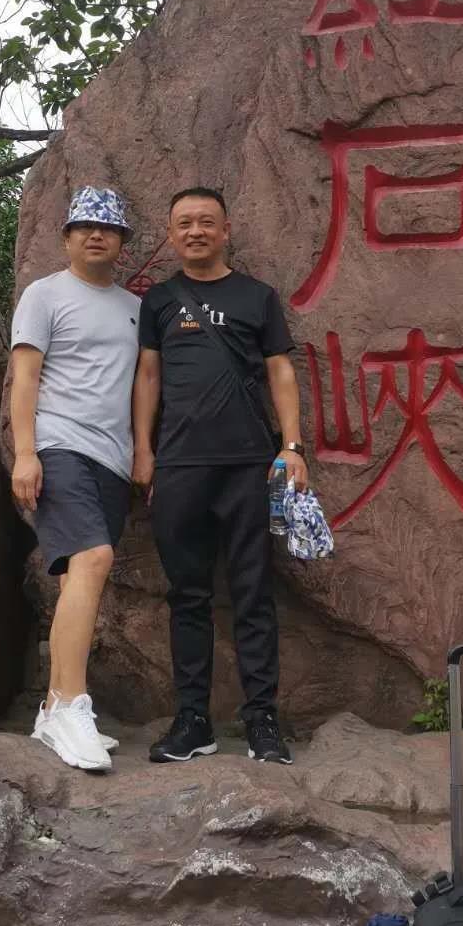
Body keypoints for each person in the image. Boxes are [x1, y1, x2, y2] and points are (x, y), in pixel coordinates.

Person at [133, 187, 309, 765]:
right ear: (170, 233)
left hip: (248, 465)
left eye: (206, 222)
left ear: (226, 230)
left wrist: (292, 447)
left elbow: (281, 372)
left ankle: (262, 719)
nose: (196, 231)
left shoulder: (257, 297)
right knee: (188, 596)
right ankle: (192, 721)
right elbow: (149, 377)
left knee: (254, 593)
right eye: (184, 223)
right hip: (179, 465)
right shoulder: (159, 300)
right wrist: (143, 450)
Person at [9, 186, 140, 773]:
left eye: (107, 228)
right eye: (84, 226)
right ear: (66, 237)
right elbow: (25, 376)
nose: (95, 235)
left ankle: (51, 712)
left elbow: (143, 384)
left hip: (113, 459)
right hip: (59, 445)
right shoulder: (45, 294)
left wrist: (143, 453)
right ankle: (69, 705)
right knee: (93, 558)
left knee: (77, 578)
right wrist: (25, 453)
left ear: (121, 242)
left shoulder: (135, 307)